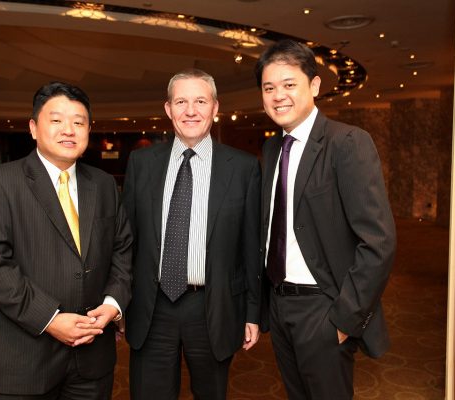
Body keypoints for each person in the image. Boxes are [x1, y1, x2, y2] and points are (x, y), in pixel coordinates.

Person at [0, 82, 133, 399]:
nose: (68, 130)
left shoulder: (103, 184)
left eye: (78, 122)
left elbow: (122, 249)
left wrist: (113, 304)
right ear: (33, 128)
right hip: (23, 360)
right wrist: (50, 319)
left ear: (88, 130)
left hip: (92, 358)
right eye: (56, 120)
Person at [256, 39, 397, 400]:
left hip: (323, 308)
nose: (278, 96)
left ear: (315, 85)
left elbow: (378, 242)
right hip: (280, 304)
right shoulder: (272, 148)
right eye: (269, 88)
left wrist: (344, 319)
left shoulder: (347, 143)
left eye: (289, 84)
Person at [122, 68, 261, 400]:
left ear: (215, 107)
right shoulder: (141, 163)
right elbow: (127, 242)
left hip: (213, 307)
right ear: (168, 109)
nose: (190, 111)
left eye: (200, 101)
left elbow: (251, 246)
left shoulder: (243, 168)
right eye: (181, 102)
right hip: (151, 307)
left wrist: (253, 312)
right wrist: (119, 303)